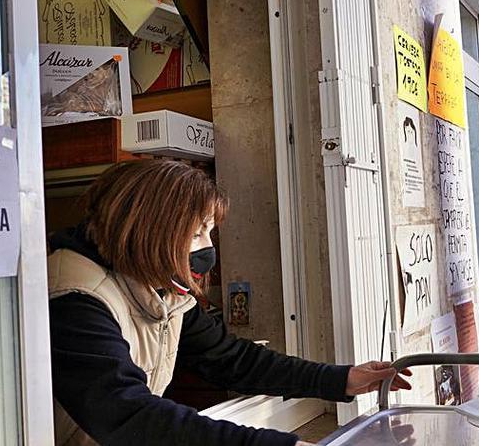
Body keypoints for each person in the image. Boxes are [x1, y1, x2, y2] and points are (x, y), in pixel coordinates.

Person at [48, 160, 411, 446]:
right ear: (150, 231)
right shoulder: (76, 301)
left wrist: (340, 379)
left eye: (209, 231)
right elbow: (129, 415)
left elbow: (231, 359)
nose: (207, 247)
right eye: (195, 233)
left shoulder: (160, 286)